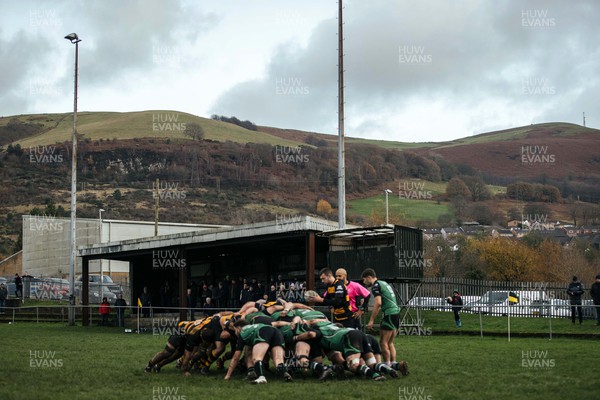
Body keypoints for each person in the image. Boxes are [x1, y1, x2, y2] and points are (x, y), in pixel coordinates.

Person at [224, 320, 292, 384]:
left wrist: (228, 375)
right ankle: (285, 373)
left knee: (257, 358)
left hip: (263, 332)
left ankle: (261, 377)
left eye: (235, 330)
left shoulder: (242, 333)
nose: (235, 333)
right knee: (278, 360)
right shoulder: (254, 327)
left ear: (239, 328)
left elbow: (236, 357)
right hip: (276, 332)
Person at [361, 268, 401, 367]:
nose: (364, 282)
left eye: (364, 280)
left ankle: (387, 365)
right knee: (390, 342)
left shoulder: (376, 286)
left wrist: (371, 320)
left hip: (389, 314)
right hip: (396, 313)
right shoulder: (384, 283)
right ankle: (393, 363)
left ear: (369, 277)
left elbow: (378, 303)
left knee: (383, 342)